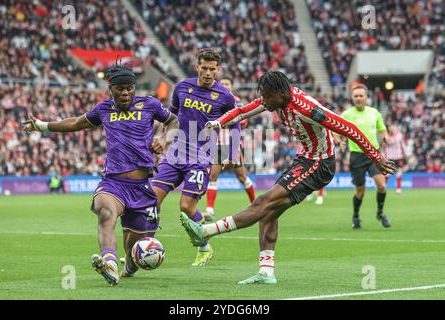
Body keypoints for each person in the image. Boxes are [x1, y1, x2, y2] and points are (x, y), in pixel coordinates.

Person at [180, 71, 395, 284]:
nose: (262, 100)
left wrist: (376, 156)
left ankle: (206, 231)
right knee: (269, 212)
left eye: (266, 96)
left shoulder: (308, 110)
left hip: (319, 164)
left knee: (263, 202)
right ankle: (266, 272)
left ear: (281, 94)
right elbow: (242, 111)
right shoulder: (275, 99)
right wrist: (218, 123)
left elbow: (349, 128)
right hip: (304, 160)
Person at [22, 63, 179, 286]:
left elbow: (173, 120)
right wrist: (42, 126)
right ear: (111, 89)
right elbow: (76, 123)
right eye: (120, 89)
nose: (125, 93)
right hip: (114, 183)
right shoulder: (103, 109)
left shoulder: (150, 105)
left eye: (129, 88)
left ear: (134, 88)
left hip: (143, 187)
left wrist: (165, 138)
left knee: (134, 247)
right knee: (106, 213)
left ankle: (127, 266)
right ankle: (110, 265)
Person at [151, 48, 240, 266]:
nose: (208, 73)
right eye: (205, 68)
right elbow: (170, 116)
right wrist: (162, 137)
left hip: (200, 157)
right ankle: (145, 245)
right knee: (150, 200)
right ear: (197, 66)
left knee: (186, 207)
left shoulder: (225, 97)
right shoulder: (182, 87)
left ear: (217, 70)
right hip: (175, 153)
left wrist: (233, 150)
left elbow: (236, 122)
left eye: (213, 69)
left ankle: (204, 247)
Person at [203, 76, 256, 221]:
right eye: (223, 83)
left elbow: (243, 122)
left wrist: (224, 121)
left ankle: (255, 204)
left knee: (242, 177)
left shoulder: (237, 102)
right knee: (213, 177)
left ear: (232, 86)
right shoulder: (214, 101)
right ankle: (209, 210)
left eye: (228, 83)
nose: (225, 85)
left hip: (232, 145)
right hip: (218, 145)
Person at [340, 84, 391, 230]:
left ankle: (380, 213)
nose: (358, 98)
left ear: (366, 97)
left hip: (374, 154)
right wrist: (341, 141)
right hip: (356, 156)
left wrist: (384, 137)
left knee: (381, 185)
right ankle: (356, 216)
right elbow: (336, 131)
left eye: (361, 95)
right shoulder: (347, 114)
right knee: (360, 191)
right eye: (355, 96)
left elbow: (382, 130)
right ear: (352, 98)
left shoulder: (374, 113)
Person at [382, 124, 408, 194]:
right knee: (388, 173)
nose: (393, 129)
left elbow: (402, 145)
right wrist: (383, 156)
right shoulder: (387, 136)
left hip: (398, 157)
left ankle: (398, 189)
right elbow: (384, 147)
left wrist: (406, 154)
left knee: (399, 173)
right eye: (391, 128)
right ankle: (383, 187)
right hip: (390, 157)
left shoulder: (398, 136)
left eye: (394, 128)